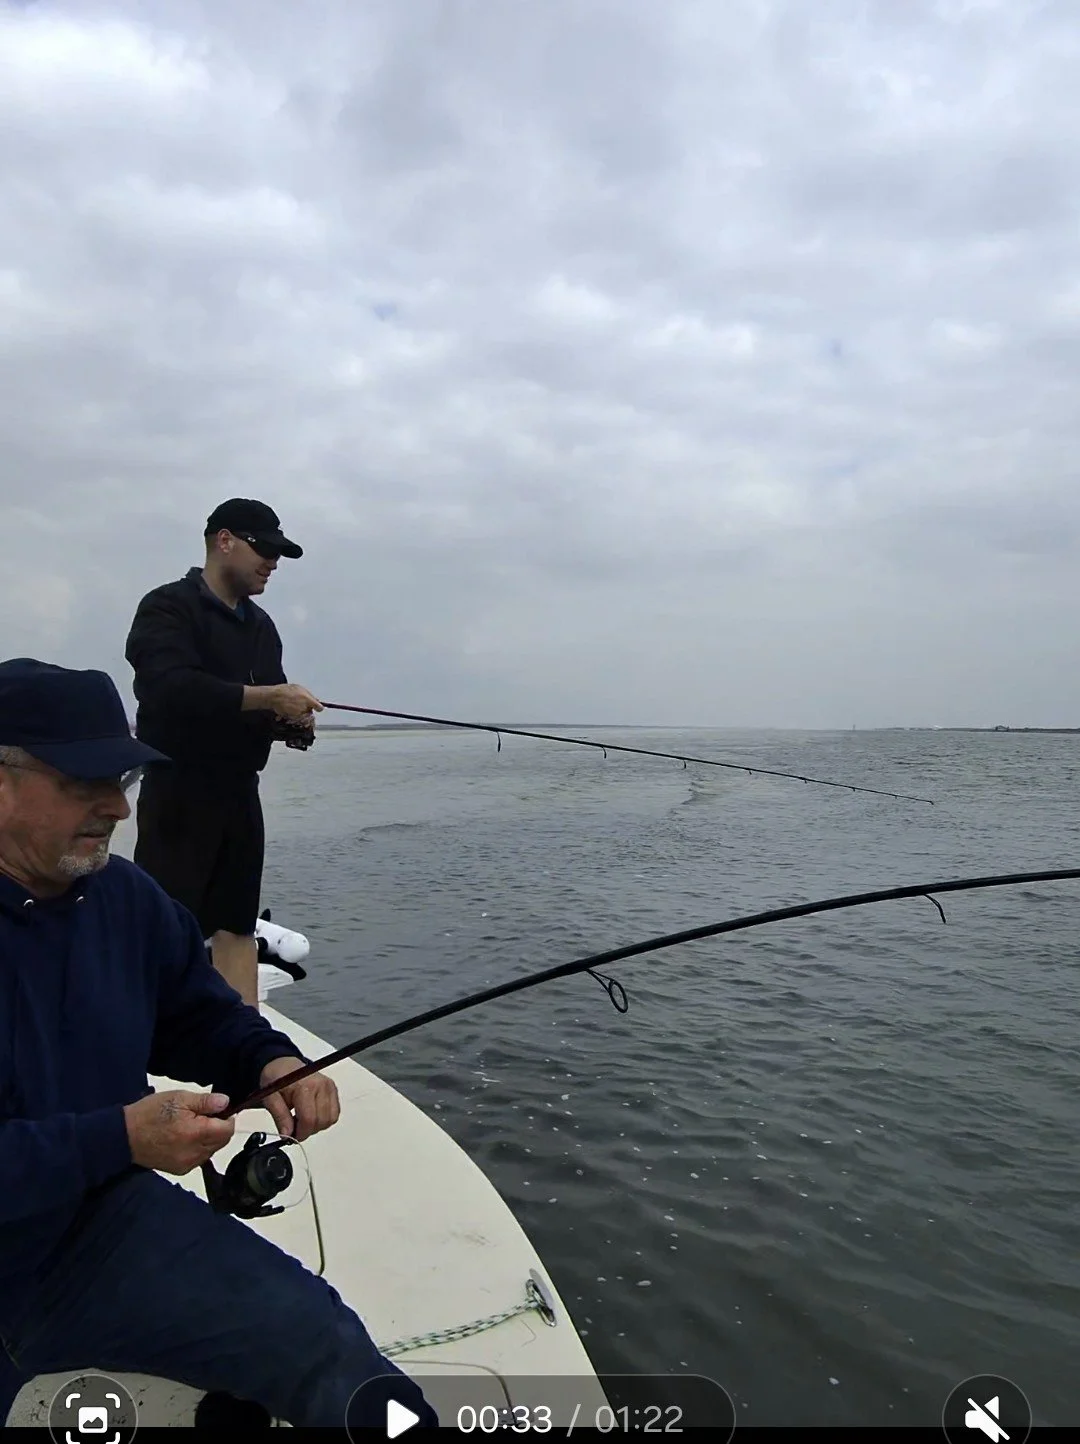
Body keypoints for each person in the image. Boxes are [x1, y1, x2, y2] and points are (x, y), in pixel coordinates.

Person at [0, 658, 437, 1430]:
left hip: (93, 1230)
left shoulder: (126, 899)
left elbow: (195, 1012)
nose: (116, 810)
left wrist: (267, 1061)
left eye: (125, 781)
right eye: (85, 783)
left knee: (325, 1345)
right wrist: (123, 1136)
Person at [125, 498, 324, 1009]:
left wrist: (291, 724)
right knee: (163, 928)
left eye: (279, 555)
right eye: (265, 549)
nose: (273, 563)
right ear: (225, 540)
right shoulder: (167, 607)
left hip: (240, 794)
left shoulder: (262, 627)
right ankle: (137, 1056)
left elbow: (262, 710)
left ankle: (243, 1057)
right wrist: (266, 697)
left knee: (236, 926)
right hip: (178, 794)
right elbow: (167, 688)